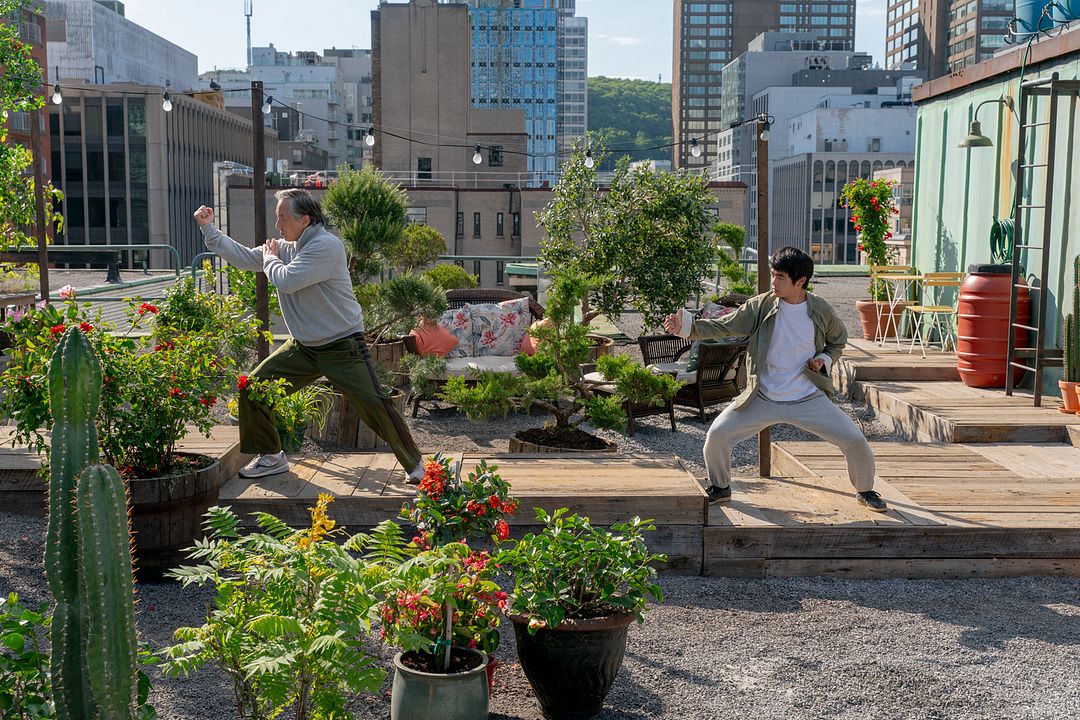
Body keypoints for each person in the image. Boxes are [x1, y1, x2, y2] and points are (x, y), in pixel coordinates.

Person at [193, 189, 425, 482]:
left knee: (373, 403)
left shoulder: (326, 246)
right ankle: (271, 457)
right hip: (304, 347)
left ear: (304, 220)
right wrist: (208, 229)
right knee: (253, 388)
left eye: (282, 218)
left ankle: (416, 465)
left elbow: (287, 280)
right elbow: (242, 258)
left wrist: (269, 258)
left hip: (341, 345)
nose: (277, 225)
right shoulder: (285, 247)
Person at [663, 246, 887, 512]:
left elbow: (838, 341)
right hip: (762, 396)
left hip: (807, 397)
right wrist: (687, 328)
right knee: (717, 436)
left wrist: (823, 360)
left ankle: (866, 490)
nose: (774, 281)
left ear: (800, 281)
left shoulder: (820, 310)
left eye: (780, 276)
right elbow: (727, 324)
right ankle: (720, 487)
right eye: (773, 275)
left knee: (855, 440)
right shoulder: (763, 305)